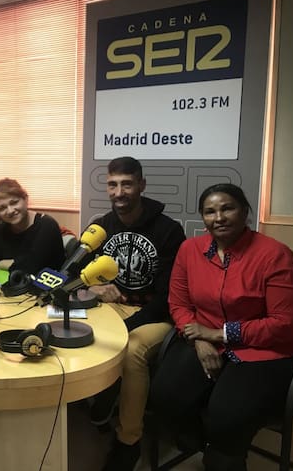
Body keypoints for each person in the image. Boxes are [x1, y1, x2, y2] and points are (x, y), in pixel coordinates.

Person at [149, 183, 293, 471]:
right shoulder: (190, 250)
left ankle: (223, 457)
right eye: (210, 212)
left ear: (244, 211)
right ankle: (202, 443)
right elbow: (179, 304)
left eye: (227, 208)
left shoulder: (275, 255)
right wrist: (199, 339)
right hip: (204, 338)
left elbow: (286, 323)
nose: (218, 217)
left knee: (227, 416)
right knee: (164, 395)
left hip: (264, 350)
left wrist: (221, 333)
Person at [78, 157, 186, 471]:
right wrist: (95, 287)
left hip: (154, 315)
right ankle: (101, 397)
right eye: (112, 184)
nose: (119, 192)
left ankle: (129, 441)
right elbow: (79, 273)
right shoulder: (102, 226)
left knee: (132, 350)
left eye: (126, 184)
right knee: (75, 329)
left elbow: (167, 298)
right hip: (114, 308)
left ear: (141, 185)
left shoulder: (169, 230)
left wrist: (126, 325)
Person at [0, 178, 65, 276]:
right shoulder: (1, 226)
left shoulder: (46, 225)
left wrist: (0, 264)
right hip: (12, 283)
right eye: (2, 208)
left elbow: (30, 268)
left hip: (45, 284)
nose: (10, 211)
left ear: (25, 199)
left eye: (14, 202)